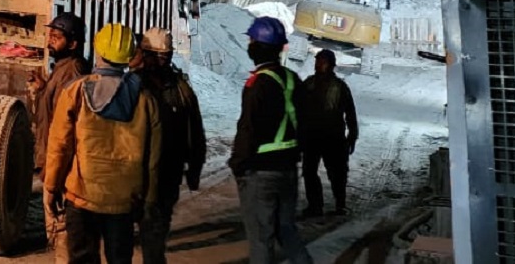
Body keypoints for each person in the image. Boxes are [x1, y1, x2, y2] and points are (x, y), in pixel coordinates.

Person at [46, 23, 162, 264]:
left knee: (82, 259)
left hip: (81, 196)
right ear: (129, 56)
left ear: (98, 51)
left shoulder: (75, 91)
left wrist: (51, 187)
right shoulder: (145, 99)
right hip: (123, 202)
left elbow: (59, 147)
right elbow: (153, 157)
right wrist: (148, 200)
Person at [228, 17, 313, 264]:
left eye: (252, 40)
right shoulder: (292, 79)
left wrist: (238, 164)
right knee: (286, 230)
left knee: (261, 238)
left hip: (260, 172)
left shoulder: (257, 84)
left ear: (260, 46)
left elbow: (248, 128)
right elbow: (305, 121)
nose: (249, 44)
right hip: (287, 169)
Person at [133, 27, 207, 264]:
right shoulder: (131, 86)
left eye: (166, 56)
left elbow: (195, 129)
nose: (162, 61)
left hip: (167, 174)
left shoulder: (181, 90)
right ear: (144, 54)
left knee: (154, 234)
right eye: (157, 56)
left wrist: (195, 167)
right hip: (133, 174)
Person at [30, 11, 91, 261]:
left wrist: (54, 177)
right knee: (59, 233)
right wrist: (43, 89)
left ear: (73, 43)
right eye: (50, 34)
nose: (50, 40)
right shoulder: (62, 68)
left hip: (65, 170)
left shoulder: (74, 71)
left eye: (57, 36)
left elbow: (69, 127)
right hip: (54, 164)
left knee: (63, 231)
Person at [300, 49, 358, 217]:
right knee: (309, 172)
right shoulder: (309, 84)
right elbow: (298, 109)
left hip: (333, 138)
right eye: (317, 61)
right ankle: (315, 206)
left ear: (331, 65)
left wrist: (352, 136)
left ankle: (340, 204)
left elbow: (350, 113)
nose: (318, 64)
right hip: (312, 137)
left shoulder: (340, 87)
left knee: (337, 173)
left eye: (322, 61)